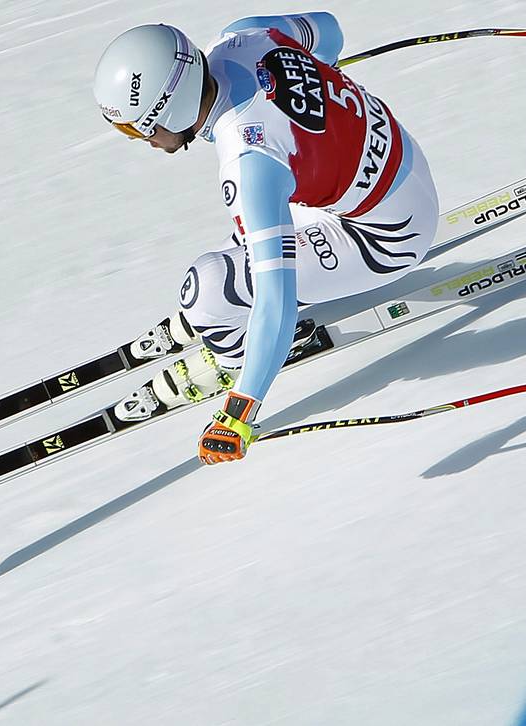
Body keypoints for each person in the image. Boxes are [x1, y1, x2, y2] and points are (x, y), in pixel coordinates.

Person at [93, 13, 438, 465]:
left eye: (142, 127)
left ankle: (244, 353)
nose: (146, 141)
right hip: (403, 161)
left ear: (171, 108)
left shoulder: (249, 161)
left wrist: (240, 411)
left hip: (388, 236)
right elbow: (329, 30)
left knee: (206, 292)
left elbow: (278, 295)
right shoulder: (244, 34)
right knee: (252, 229)